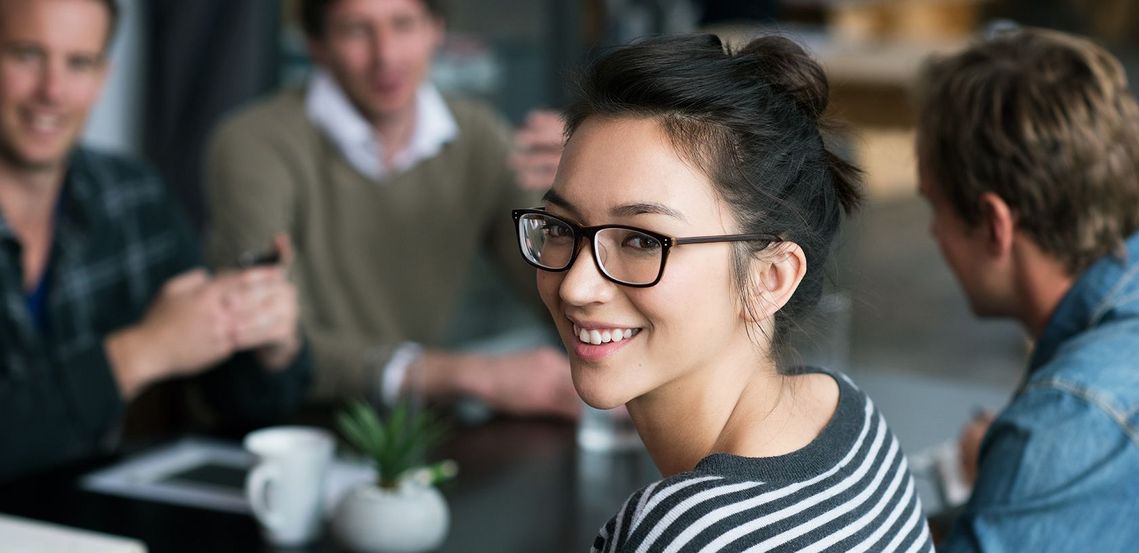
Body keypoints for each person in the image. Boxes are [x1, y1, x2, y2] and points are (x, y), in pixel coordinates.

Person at [516, 33, 933, 551]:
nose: (577, 285)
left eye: (643, 241)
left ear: (770, 278)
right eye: (559, 228)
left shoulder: (681, 533)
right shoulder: (848, 417)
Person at [205, 0, 578, 418]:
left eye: (403, 24)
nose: (386, 55)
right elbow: (274, 339)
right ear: (317, 44)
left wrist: (585, 199)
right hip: (286, 426)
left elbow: (557, 295)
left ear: (436, 29)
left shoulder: (479, 136)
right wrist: (472, 374)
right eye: (356, 30)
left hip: (411, 430)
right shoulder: (254, 143)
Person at [0, 0, 309, 481]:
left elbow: (238, 406)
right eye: (26, 56)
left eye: (79, 63)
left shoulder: (133, 196)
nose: (52, 91)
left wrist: (267, 342)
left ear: (103, 77)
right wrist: (141, 352)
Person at [916, 27, 1139, 551]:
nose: (932, 233)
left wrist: (1019, 466)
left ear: (995, 223)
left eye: (936, 207)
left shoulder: (1066, 419)